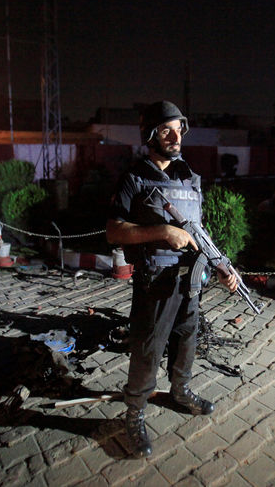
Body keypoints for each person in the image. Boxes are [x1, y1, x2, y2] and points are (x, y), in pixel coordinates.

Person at [106, 101, 239, 458]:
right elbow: (114, 230)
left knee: (187, 340)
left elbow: (200, 229)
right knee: (148, 348)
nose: (175, 135)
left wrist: (224, 265)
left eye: (179, 128)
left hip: (191, 281)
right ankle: (134, 412)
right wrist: (163, 231)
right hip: (155, 281)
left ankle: (180, 392)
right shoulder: (135, 177)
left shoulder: (190, 177)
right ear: (151, 134)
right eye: (167, 129)